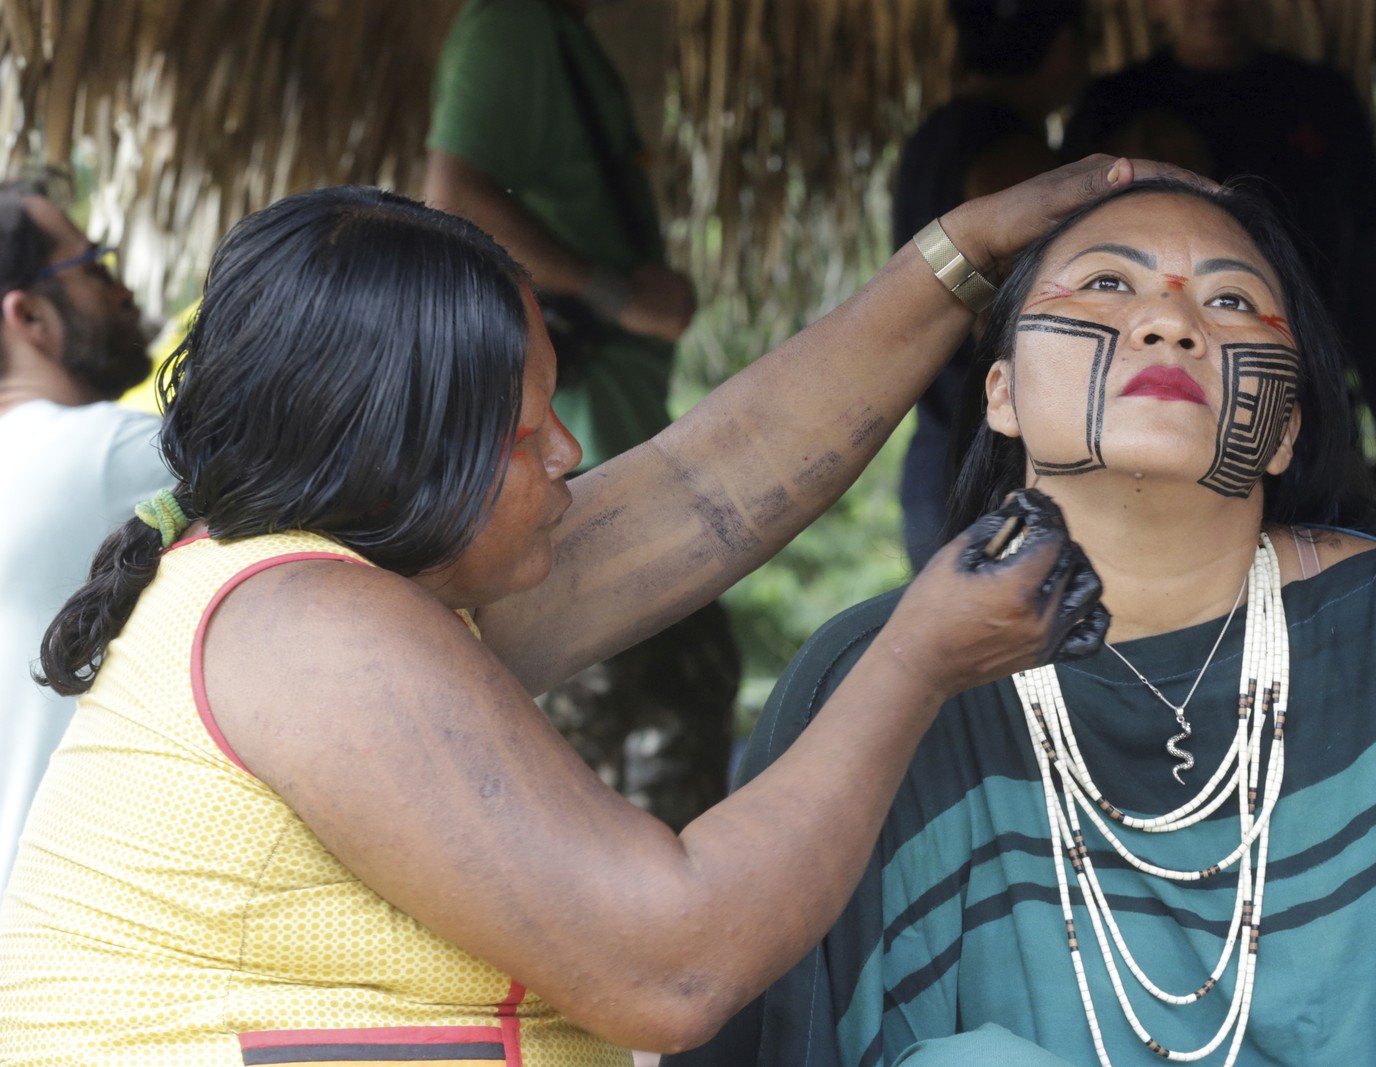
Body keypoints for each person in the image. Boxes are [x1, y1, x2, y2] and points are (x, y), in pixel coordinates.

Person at [0, 157, 1168, 1064]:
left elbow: (713, 480)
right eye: (520, 434)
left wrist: (960, 254)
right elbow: (674, 962)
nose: (565, 451)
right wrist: (917, 659)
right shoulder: (317, 631)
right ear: (396, 454)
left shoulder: (359, 587)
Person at [671, 180, 1376, 1066]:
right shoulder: (882, 677)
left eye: (1233, 302)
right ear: (1001, 393)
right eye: (1109, 283)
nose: (1170, 323)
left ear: (1282, 431)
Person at [426, 0, 737, 830]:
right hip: (581, 476)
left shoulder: (560, 35)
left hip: (618, 447)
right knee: (590, 768)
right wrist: (613, 293)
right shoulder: (512, 24)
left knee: (680, 722)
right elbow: (452, 196)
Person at [1061, 0, 1376, 526]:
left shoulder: (1320, 98)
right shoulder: (1115, 104)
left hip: (1310, 392)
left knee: (1320, 573)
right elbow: (1061, 257)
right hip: (1155, 397)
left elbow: (1366, 278)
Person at [0, 179, 168, 887]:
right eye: (93, 265)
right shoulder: (95, 458)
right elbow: (350, 456)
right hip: (57, 951)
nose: (123, 289)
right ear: (29, 314)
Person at [894, 0, 1089, 570]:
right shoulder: (1014, 158)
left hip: (938, 449)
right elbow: (1016, 322)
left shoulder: (932, 138)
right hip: (991, 464)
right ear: (1062, 50)